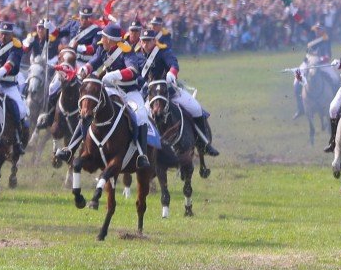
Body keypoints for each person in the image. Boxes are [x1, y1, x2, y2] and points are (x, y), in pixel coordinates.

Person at [55, 24, 150, 167]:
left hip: (129, 91)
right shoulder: (102, 48)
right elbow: (93, 62)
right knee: (88, 110)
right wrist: (82, 71)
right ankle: (70, 149)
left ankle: (142, 155)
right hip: (110, 89)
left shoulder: (126, 51)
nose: (102, 39)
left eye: (104, 37)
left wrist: (114, 75)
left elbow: (132, 71)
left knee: (142, 115)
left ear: (111, 40)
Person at [139, 28, 219, 156]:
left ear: (154, 41)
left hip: (170, 92)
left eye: (148, 41)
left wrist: (171, 73)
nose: (145, 44)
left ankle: (204, 143)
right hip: (152, 97)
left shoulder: (162, 51)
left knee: (196, 109)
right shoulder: (138, 56)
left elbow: (174, 64)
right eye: (143, 41)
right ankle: (143, 151)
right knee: (141, 120)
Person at [0, 21, 29, 154]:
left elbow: (10, 63)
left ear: (11, 34)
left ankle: (18, 139)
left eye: (7, 35)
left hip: (8, 85)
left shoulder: (16, 46)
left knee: (21, 111)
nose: (3, 37)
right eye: (2, 34)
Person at [293, 23, 336, 119]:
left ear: (323, 30)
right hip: (308, 62)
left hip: (321, 63)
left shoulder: (325, 39)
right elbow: (302, 23)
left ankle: (337, 105)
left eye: (319, 29)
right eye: (316, 29)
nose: (317, 31)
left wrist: (320, 60)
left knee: (335, 79)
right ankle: (300, 108)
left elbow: (328, 55)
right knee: (296, 82)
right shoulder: (311, 35)